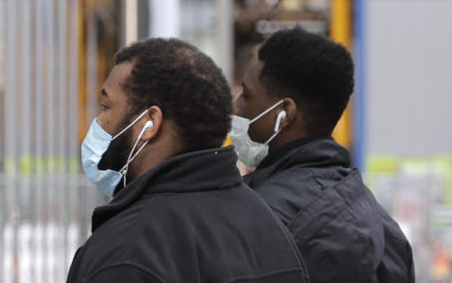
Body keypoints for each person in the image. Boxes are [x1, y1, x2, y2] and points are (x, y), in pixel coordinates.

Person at [69, 37, 309, 283]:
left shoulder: (128, 252)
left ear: (149, 122)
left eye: (105, 106)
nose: (98, 122)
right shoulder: (266, 223)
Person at [233, 28, 414, 283]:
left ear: (283, 113)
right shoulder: (387, 231)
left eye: (247, 96)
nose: (237, 106)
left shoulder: (257, 217)